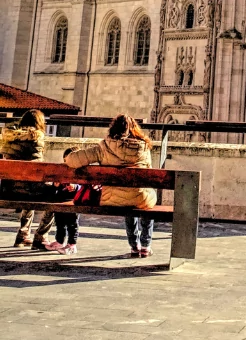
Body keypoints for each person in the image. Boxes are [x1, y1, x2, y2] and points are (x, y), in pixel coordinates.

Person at [64, 114, 156, 257]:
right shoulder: (144, 147)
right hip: (139, 198)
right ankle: (146, 245)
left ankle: (134, 246)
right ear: (134, 130)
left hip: (110, 198)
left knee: (125, 198)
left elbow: (71, 160)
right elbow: (149, 172)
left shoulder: (104, 147)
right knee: (143, 198)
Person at [0, 109, 56, 249]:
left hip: (7, 189)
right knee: (55, 195)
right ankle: (41, 236)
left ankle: (23, 235)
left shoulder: (9, 138)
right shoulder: (36, 139)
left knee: (28, 186)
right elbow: (37, 168)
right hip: (28, 189)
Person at [44, 147, 95, 256]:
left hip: (74, 200)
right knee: (59, 222)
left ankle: (72, 244)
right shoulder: (62, 170)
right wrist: (55, 185)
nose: (67, 162)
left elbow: (83, 186)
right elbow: (55, 187)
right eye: (65, 160)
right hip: (61, 199)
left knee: (72, 224)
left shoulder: (80, 171)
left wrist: (75, 187)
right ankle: (59, 241)